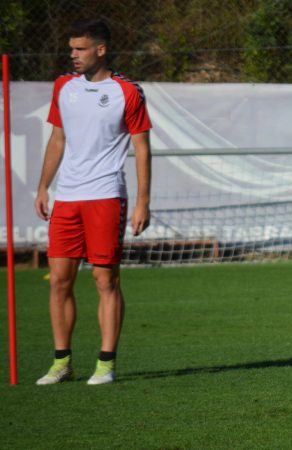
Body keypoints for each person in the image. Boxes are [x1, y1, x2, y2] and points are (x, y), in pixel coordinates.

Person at [33, 19, 152, 385]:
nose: (73, 55)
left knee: (105, 280)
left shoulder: (127, 92)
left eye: (80, 48)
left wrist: (142, 202)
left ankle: (105, 364)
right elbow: (58, 138)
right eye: (71, 49)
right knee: (59, 281)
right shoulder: (63, 87)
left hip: (105, 196)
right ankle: (62, 363)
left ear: (101, 49)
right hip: (67, 199)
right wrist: (43, 187)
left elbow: (141, 147)